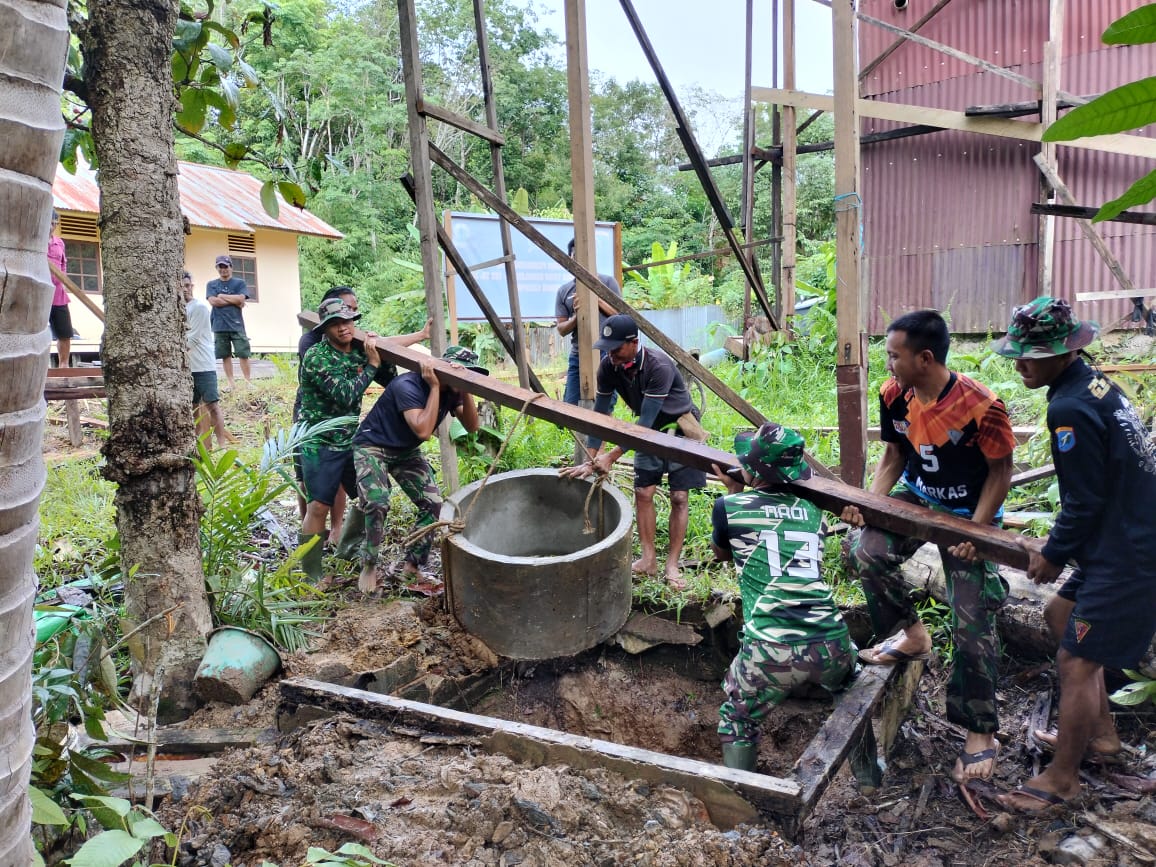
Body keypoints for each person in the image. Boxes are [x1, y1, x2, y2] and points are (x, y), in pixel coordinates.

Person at [991, 297, 1156, 812]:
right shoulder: (1094, 382)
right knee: (1058, 613)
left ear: (1063, 353)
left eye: (1031, 355)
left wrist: (1054, 553)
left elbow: (1083, 500)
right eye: (1017, 352)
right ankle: (1100, 734)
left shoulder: (1069, 407)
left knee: (1075, 661)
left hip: (1129, 552)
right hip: (1124, 534)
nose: (1019, 363)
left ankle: (1062, 780)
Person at [841, 309, 1016, 784]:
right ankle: (910, 635)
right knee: (867, 551)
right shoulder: (893, 394)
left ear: (924, 357)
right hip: (917, 497)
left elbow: (1001, 474)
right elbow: (895, 454)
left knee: (973, 619)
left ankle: (980, 730)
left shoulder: (983, 407)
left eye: (894, 354)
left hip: (968, 514)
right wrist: (867, 505)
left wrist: (975, 533)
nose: (887, 362)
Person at [709, 423, 856, 772]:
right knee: (852, 696)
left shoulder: (729, 506)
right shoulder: (813, 512)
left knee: (737, 719)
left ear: (752, 470)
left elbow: (721, 554)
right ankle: (868, 777)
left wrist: (732, 494)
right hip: (831, 642)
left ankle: (739, 803)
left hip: (770, 650)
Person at [560, 313, 707, 589]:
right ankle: (648, 560)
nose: (611, 354)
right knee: (643, 493)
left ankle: (672, 565)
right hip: (645, 433)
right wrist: (592, 460)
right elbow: (601, 416)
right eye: (607, 349)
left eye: (616, 348)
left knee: (678, 497)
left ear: (634, 343)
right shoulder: (608, 367)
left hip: (679, 428)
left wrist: (612, 456)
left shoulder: (658, 366)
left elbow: (646, 423)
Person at [352, 346, 484, 594]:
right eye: (457, 374)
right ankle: (368, 564)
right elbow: (423, 431)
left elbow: (472, 426)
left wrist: (465, 388)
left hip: (405, 451)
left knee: (433, 503)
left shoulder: (453, 389)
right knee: (377, 502)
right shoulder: (408, 386)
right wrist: (434, 387)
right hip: (373, 445)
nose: (460, 379)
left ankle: (411, 566)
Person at [296, 297, 382, 585]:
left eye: (347, 321)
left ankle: (346, 551)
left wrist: (378, 350)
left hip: (350, 439)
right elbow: (346, 394)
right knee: (318, 506)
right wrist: (371, 365)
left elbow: (389, 368)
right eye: (335, 324)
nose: (343, 328)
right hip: (319, 441)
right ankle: (311, 574)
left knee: (368, 496)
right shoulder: (317, 357)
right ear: (325, 328)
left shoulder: (357, 350)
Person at [555, 238, 621, 404]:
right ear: (570, 259)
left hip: (608, 353)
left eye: (585, 256)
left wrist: (596, 300)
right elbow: (561, 329)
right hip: (578, 355)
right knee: (570, 406)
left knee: (605, 405)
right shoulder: (564, 291)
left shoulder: (607, 283)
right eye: (576, 257)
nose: (581, 261)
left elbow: (620, 316)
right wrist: (577, 316)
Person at [182, 271, 236, 448]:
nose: (185, 289)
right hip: (187, 367)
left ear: (192, 287)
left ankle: (221, 444)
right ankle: (199, 444)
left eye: (188, 285)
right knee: (193, 407)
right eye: (181, 286)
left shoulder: (198, 308)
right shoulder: (178, 309)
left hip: (203, 365)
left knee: (212, 405)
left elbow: (193, 338)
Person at [206, 254, 252, 389]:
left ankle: (248, 382)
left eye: (225, 266)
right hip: (219, 325)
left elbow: (241, 299)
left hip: (236, 324)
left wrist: (222, 296)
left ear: (231, 267)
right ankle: (231, 383)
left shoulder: (239, 283)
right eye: (220, 267)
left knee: (243, 353)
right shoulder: (211, 284)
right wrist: (233, 300)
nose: (223, 269)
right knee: (225, 355)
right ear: (217, 268)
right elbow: (213, 301)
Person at [47, 211, 72, 368]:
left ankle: (64, 366)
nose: (53, 226)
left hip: (58, 294)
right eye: (51, 222)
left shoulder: (59, 242)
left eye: (55, 223)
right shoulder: (35, 240)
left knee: (64, 333)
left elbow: (63, 263)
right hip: (40, 294)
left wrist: (62, 279)